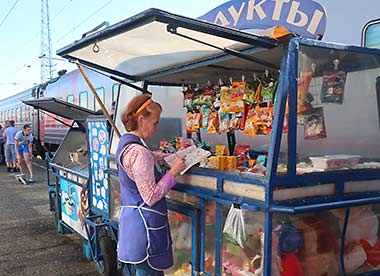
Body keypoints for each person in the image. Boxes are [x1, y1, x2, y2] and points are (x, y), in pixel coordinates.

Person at [116, 94, 186, 276]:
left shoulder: (126, 143)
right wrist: (173, 172)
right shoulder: (140, 153)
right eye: (155, 122)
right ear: (141, 120)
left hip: (133, 224)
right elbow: (150, 196)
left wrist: (158, 157)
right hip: (146, 229)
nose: (157, 128)